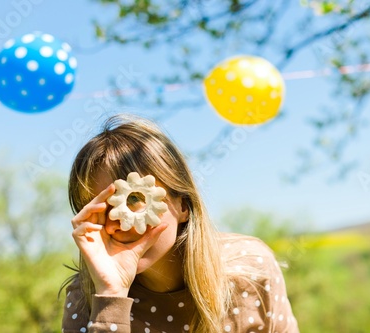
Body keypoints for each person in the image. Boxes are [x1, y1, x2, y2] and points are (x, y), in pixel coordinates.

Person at [60, 114, 299, 333]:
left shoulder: (251, 270)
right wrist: (112, 296)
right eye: (99, 209)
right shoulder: (87, 299)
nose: (116, 222)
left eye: (134, 199)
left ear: (183, 205)